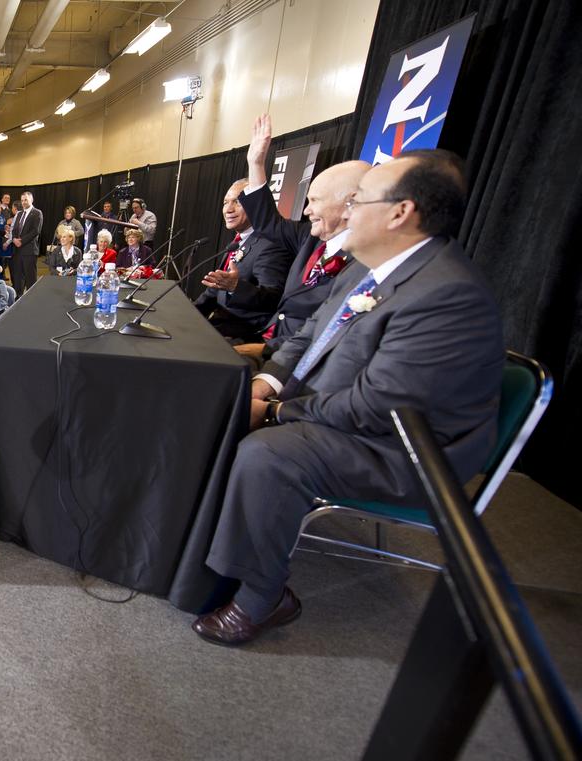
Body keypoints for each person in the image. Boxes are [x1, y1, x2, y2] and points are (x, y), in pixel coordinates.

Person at [194, 149, 504, 647]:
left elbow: (373, 408)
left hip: (402, 451)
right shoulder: (369, 268)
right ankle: (209, 554)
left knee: (268, 453)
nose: (346, 211)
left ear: (401, 212)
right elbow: (305, 337)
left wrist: (273, 412)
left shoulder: (446, 296)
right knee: (221, 398)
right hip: (335, 411)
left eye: (358, 200)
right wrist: (264, 385)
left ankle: (262, 596)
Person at [233, 115, 371, 364]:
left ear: (349, 203)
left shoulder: (364, 261)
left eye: (315, 201)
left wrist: (259, 352)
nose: (306, 211)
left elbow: (326, 333)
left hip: (293, 360)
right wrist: (255, 163)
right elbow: (267, 222)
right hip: (267, 341)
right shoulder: (310, 237)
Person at [193, 179, 295, 342]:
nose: (228, 209)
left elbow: (273, 298)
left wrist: (236, 287)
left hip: (243, 335)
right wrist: (189, 313)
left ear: (256, 203)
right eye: (226, 202)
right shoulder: (239, 241)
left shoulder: (271, 244)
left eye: (237, 202)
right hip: (218, 324)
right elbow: (216, 289)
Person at [8, 191, 43, 296]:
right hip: (17, 251)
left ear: (31, 200)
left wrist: (21, 241)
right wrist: (14, 239)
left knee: (30, 278)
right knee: (18, 277)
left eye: (26, 200)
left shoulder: (37, 213)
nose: (23, 202)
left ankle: (32, 299)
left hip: (29, 251)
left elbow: (36, 231)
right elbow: (14, 229)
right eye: (22, 200)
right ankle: (18, 298)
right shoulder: (19, 214)